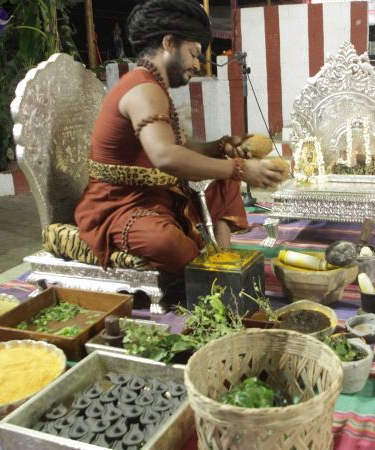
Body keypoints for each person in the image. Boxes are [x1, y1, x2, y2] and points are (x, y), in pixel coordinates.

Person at [74, 0, 286, 275]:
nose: (197, 64)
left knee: (224, 176)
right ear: (168, 43)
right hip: (119, 205)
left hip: (157, 194)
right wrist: (241, 169)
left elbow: (181, 148)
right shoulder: (142, 89)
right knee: (168, 243)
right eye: (194, 53)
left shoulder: (154, 86)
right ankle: (208, 273)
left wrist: (222, 146)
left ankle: (224, 259)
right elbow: (165, 156)